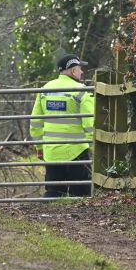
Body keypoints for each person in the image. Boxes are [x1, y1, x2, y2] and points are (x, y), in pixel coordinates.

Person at [30, 54, 94, 197]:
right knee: (81, 194)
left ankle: (47, 217)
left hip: (52, 151)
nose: (82, 72)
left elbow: (35, 122)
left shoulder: (45, 89)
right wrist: (93, 146)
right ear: (73, 71)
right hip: (77, 151)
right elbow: (90, 123)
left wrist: (39, 147)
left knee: (54, 192)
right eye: (80, 69)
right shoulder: (81, 91)